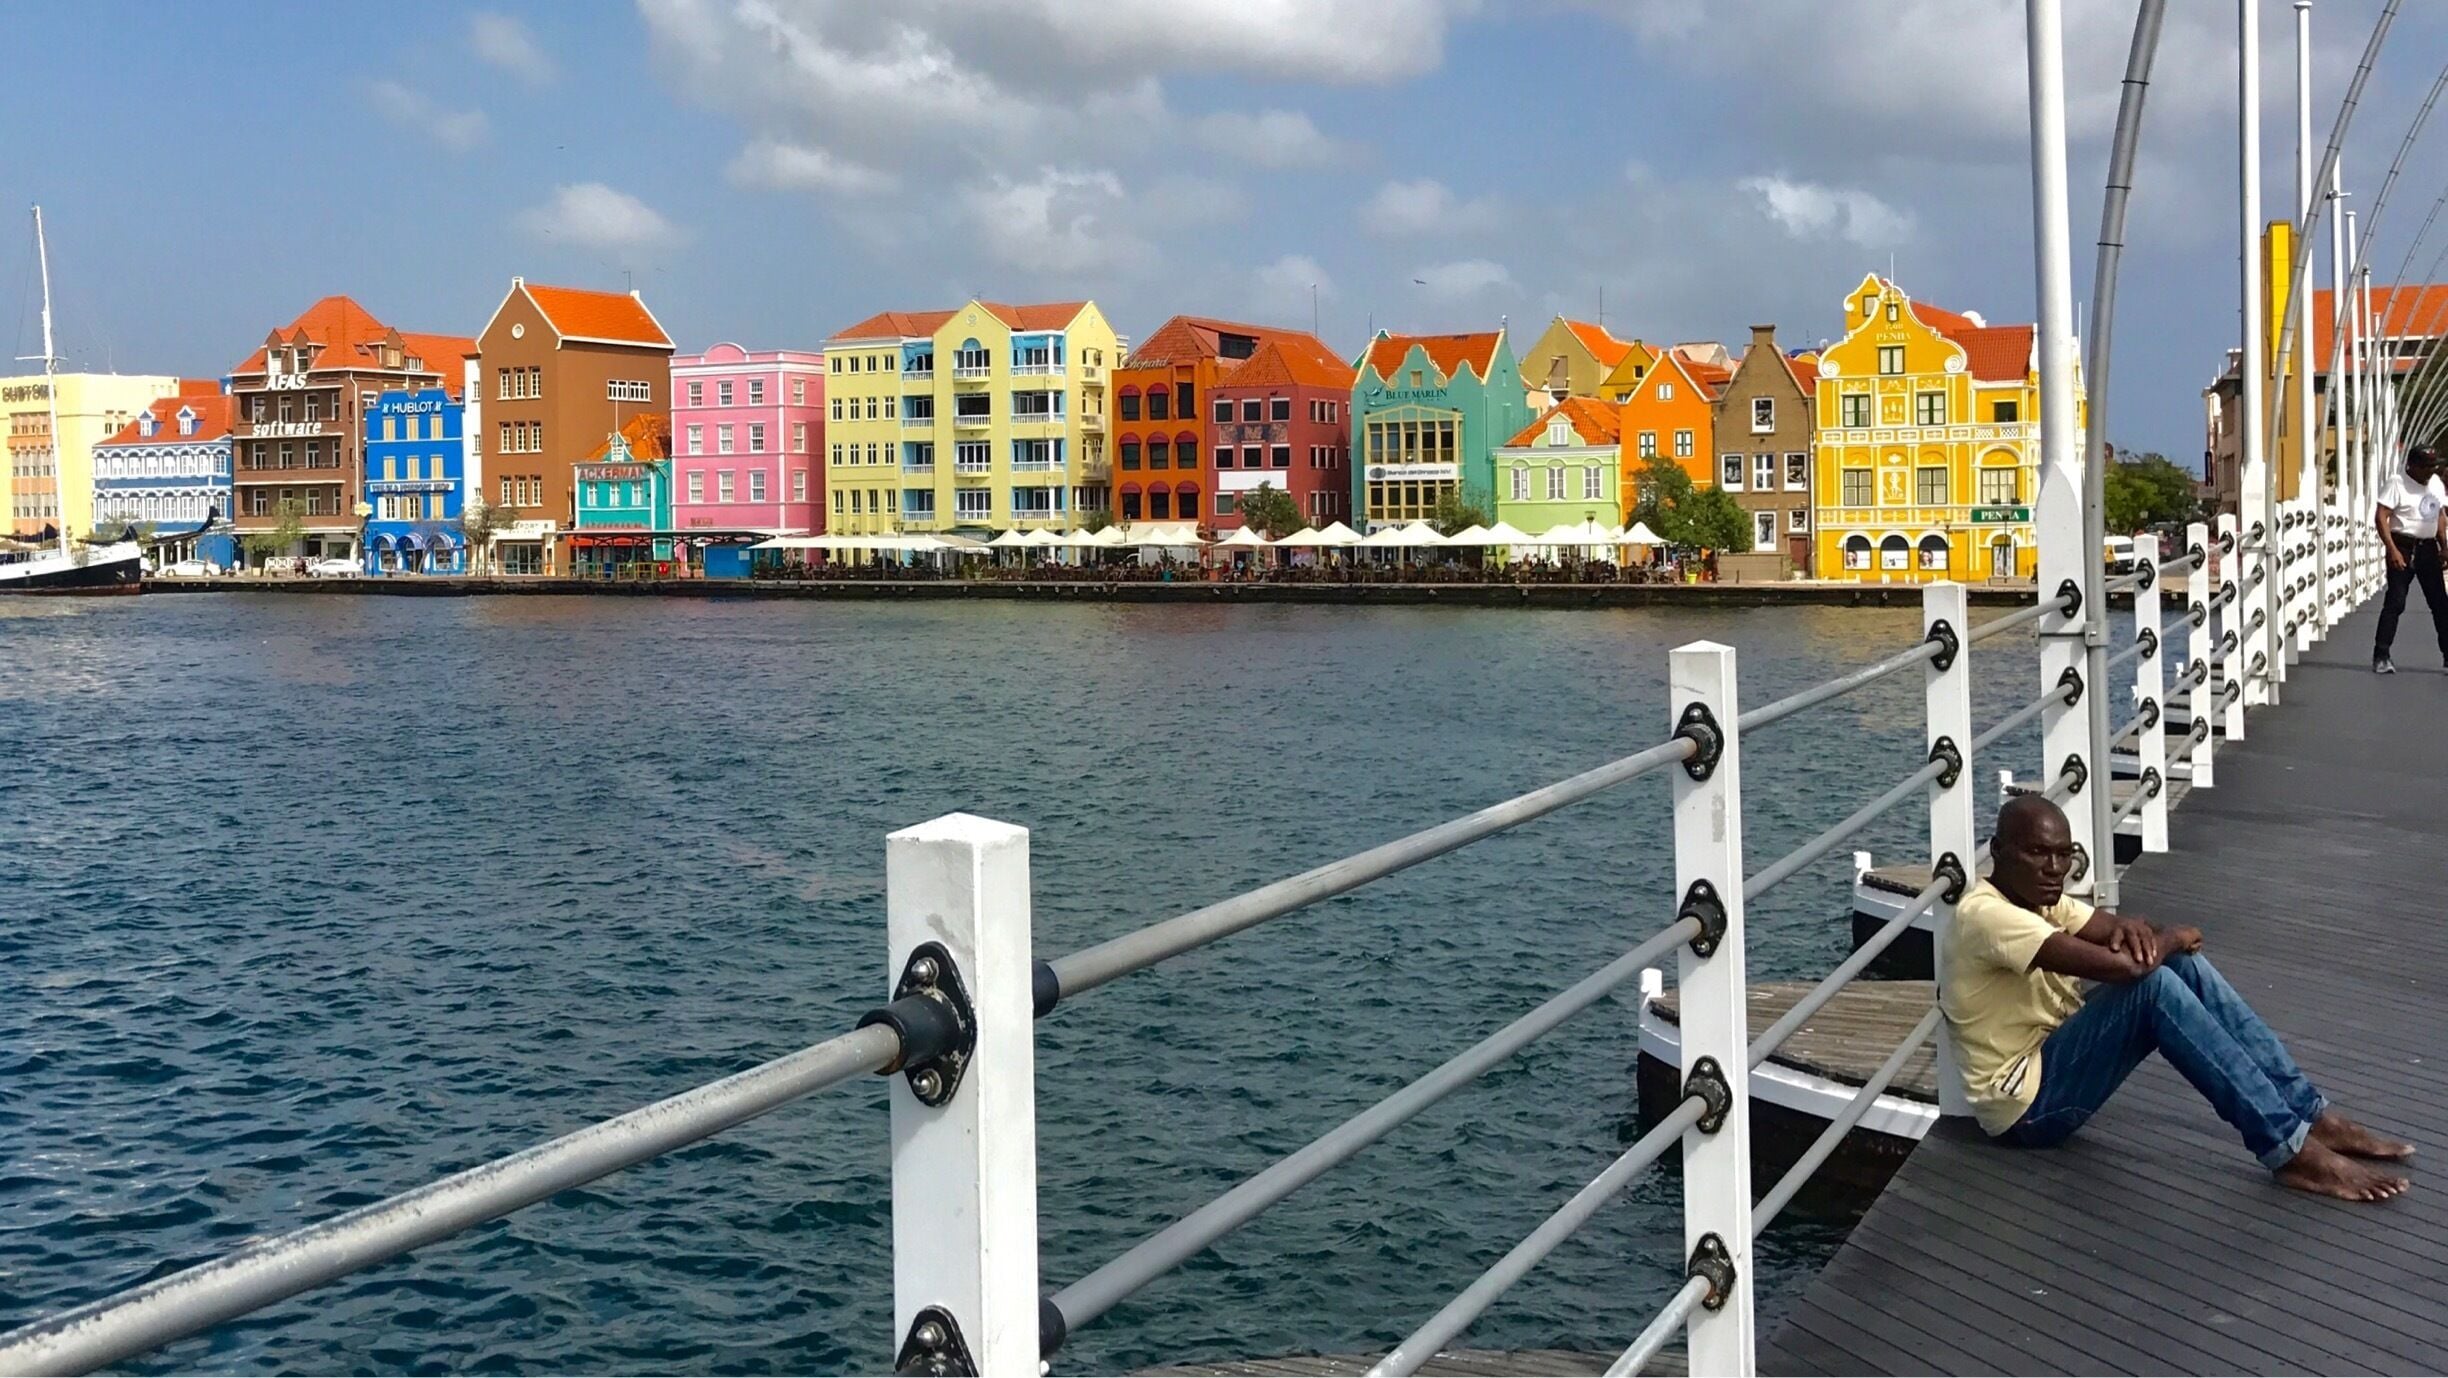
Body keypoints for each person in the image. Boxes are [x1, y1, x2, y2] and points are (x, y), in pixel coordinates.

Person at [1943, 796, 2412, 1201]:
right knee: (2155, 985)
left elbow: (2126, 936)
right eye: (2038, 853)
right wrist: (2173, 935)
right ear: (1999, 852)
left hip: (2056, 1061)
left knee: (2178, 966)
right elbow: (2127, 965)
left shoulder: (2042, 900)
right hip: (2027, 1108)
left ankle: (2310, 1115)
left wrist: (2144, 934)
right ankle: (2290, 1150)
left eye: (2064, 855)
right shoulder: (1989, 917)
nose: (2054, 869)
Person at [2372, 444, 2448, 674]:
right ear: (2411, 466)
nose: (2430, 471)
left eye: (2434, 466)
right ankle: (2381, 654)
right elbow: (2381, 516)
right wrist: (2392, 549)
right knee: (2396, 601)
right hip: (2403, 546)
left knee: (2440, 604)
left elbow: (2440, 516)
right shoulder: (2397, 483)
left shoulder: (2434, 484)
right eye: (2425, 467)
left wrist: (2444, 546)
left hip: (2427, 548)